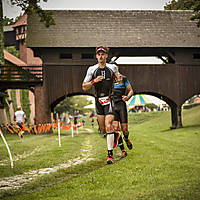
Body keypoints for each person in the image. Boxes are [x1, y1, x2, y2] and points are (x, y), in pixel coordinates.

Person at [82, 46, 119, 164]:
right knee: (103, 129)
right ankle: (116, 134)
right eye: (99, 54)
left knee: (108, 125)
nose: (101, 56)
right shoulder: (92, 69)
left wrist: (118, 80)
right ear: (96, 56)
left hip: (110, 99)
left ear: (107, 56)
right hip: (98, 101)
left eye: (103, 54)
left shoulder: (112, 67)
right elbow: (84, 87)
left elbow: (119, 78)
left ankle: (109, 156)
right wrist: (94, 81)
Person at [112, 72, 134, 151]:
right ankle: (123, 150)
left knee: (124, 130)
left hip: (121, 105)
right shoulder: (109, 79)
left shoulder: (123, 78)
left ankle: (126, 138)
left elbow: (131, 90)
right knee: (115, 128)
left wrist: (127, 97)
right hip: (113, 105)